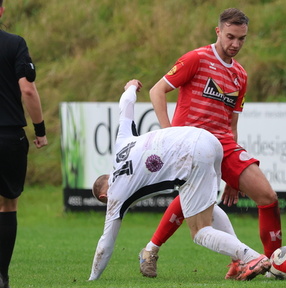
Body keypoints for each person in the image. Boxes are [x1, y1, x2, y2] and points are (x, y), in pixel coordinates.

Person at [143, 7, 282, 279]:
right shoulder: (196, 58)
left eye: (241, 39)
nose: (235, 44)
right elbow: (157, 90)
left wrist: (233, 178)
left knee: (268, 197)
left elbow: (231, 125)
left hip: (224, 146)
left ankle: (274, 266)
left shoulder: (240, 75)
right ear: (218, 31)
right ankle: (152, 249)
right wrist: (169, 134)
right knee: (196, 204)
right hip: (192, 146)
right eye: (230, 37)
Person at [88, 79, 270, 281]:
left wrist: (92, 279)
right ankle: (239, 261)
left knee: (200, 232)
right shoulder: (122, 142)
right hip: (207, 139)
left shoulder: (115, 195)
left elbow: (106, 244)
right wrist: (130, 87)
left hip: (190, 156)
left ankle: (252, 257)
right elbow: (126, 105)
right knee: (205, 206)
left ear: (104, 195)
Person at [0, 2, 48, 287]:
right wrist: (40, 130)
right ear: (1, 11)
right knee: (7, 204)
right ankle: (1, 275)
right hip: (8, 137)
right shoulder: (15, 44)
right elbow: (27, 88)